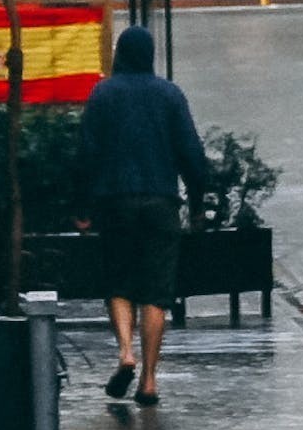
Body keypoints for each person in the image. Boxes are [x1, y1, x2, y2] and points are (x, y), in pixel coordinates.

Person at [73, 22, 211, 406]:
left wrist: (82, 208)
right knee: (157, 292)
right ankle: (149, 380)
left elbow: (87, 153)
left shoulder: (103, 94)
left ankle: (125, 354)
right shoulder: (169, 95)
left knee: (118, 283)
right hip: (160, 202)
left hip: (114, 202)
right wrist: (198, 202)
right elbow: (191, 154)